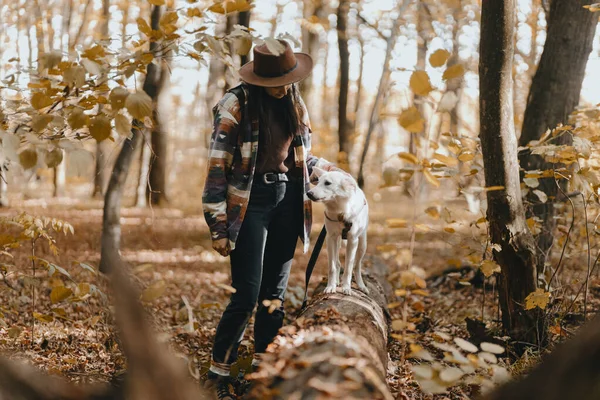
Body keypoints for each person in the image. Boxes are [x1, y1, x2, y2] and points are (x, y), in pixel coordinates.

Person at [202, 39, 342, 399]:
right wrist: (217, 224)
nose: (284, 86)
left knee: (274, 296)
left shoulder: (295, 101)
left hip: (289, 201)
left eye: (288, 79)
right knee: (247, 294)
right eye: (277, 82)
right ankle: (218, 373)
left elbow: (303, 158)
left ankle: (263, 371)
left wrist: (335, 174)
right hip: (249, 204)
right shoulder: (235, 104)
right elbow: (218, 166)